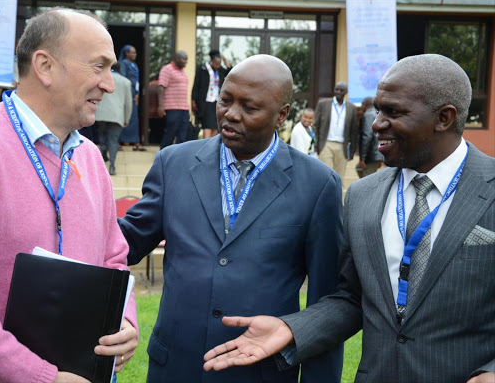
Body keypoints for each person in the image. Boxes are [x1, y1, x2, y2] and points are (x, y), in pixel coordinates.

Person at [203, 54, 495, 383]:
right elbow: (351, 297)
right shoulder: (362, 196)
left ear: (444, 118)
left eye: (393, 112)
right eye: (378, 109)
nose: (376, 123)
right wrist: (291, 328)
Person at [119, 54, 344, 383]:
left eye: (249, 108)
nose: (230, 115)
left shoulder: (318, 184)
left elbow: (326, 304)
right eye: (225, 100)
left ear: (282, 115)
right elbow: (121, 244)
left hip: (260, 372)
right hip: (175, 368)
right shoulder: (173, 164)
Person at [0, 9, 138, 383]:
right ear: (45, 66)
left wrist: (125, 319)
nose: (110, 85)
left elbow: (113, 256)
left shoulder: (89, 156)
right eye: (98, 66)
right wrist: (41, 377)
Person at [313, 81, 357, 181]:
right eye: (336, 89)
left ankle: (337, 196)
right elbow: (315, 125)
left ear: (346, 92)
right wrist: (316, 144)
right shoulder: (323, 104)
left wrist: (353, 150)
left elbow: (354, 131)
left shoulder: (352, 108)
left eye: (341, 90)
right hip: (326, 144)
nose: (338, 92)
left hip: (343, 146)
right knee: (325, 174)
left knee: (339, 177)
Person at [96, 63, 133, 175]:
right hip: (117, 116)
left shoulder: (100, 79)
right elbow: (128, 103)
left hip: (101, 114)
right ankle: (112, 166)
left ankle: (103, 151)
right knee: (113, 141)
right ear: (120, 69)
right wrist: (127, 119)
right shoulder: (126, 82)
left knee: (102, 135)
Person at [192, 49, 232, 139]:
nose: (217, 66)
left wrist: (225, 61)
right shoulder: (202, 69)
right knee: (207, 125)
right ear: (211, 61)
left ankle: (211, 146)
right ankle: (206, 146)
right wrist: (193, 101)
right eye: (216, 64)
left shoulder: (220, 70)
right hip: (205, 102)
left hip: (217, 101)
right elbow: (196, 85)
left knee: (215, 126)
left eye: (219, 64)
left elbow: (230, 72)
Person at [158, 50, 190, 148]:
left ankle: (178, 159)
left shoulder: (182, 71)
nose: (186, 62)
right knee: (170, 134)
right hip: (173, 108)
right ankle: (162, 156)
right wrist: (161, 106)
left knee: (182, 136)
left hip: (184, 108)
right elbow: (161, 88)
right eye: (184, 59)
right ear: (177, 58)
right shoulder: (167, 69)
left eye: (187, 59)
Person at [118, 44, 145, 151]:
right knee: (125, 117)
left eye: (135, 52)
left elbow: (137, 81)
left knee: (133, 118)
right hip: (126, 94)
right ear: (126, 53)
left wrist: (137, 94)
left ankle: (134, 141)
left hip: (134, 94)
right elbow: (123, 80)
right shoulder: (123, 64)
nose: (134, 54)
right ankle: (121, 141)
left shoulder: (134, 65)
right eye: (132, 52)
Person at [357, 97, 383, 177]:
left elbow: (367, 136)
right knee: (358, 168)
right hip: (377, 153)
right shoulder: (378, 114)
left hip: (371, 154)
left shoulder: (368, 115)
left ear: (365, 105)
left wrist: (362, 158)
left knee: (366, 177)